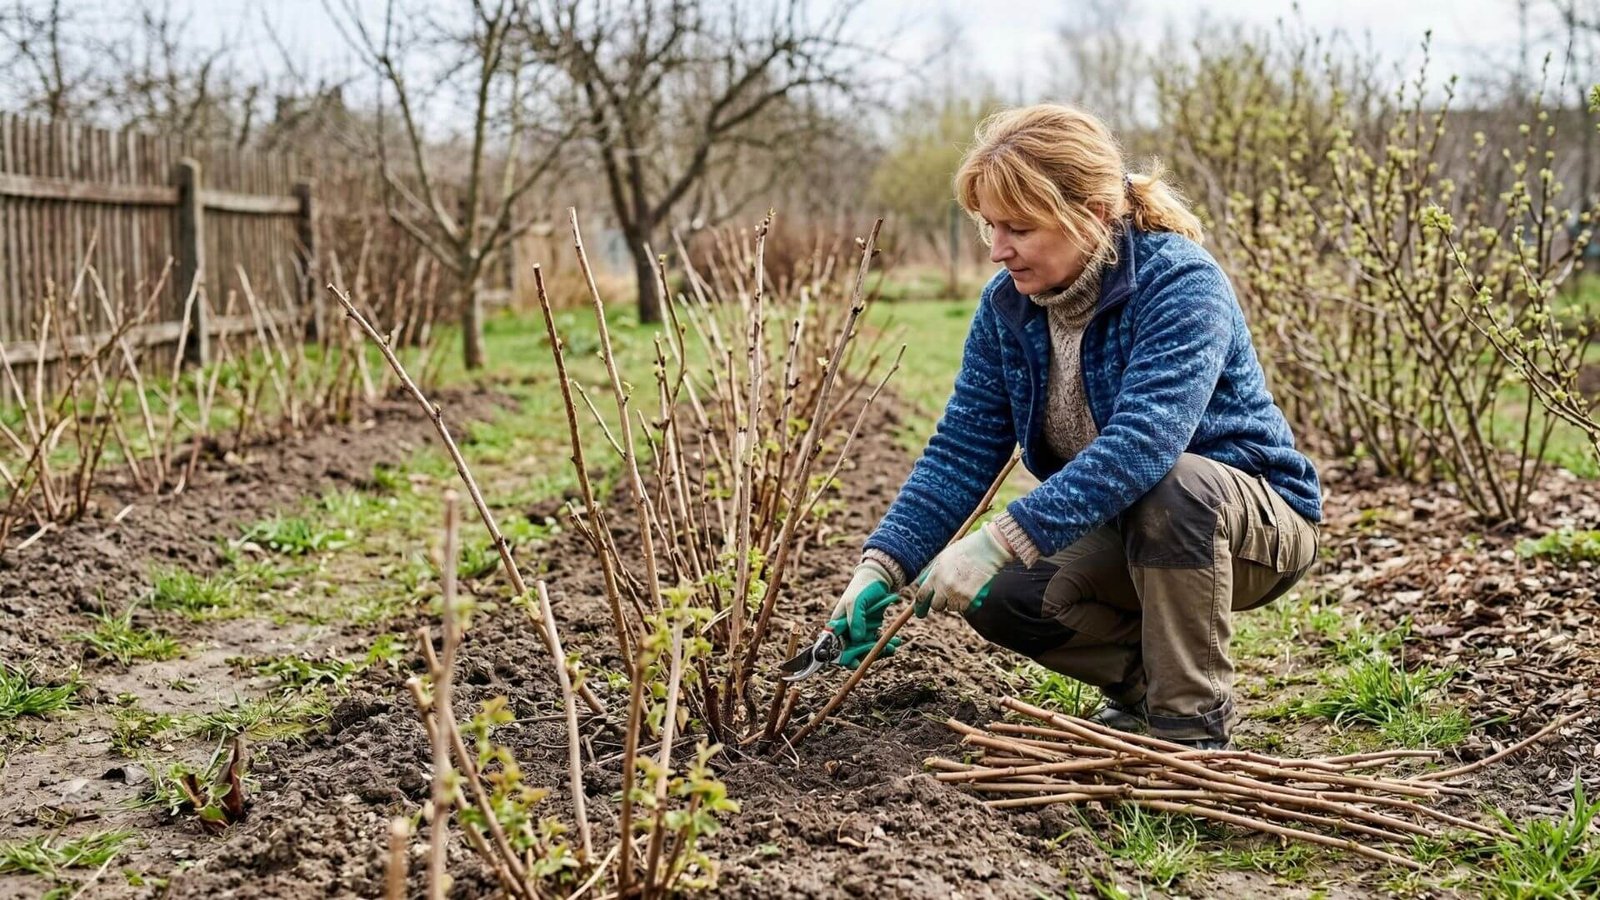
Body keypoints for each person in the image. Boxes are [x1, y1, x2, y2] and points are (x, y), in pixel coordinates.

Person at [828, 103, 1322, 750]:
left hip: (1252, 528)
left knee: (1175, 485)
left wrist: (1001, 538)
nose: (998, 250)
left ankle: (1191, 732)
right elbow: (960, 450)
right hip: (1128, 527)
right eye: (988, 227)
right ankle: (1146, 692)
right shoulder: (1008, 307)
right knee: (1002, 594)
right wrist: (881, 566)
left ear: (1091, 213)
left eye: (1020, 229)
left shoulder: (1179, 283)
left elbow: (1142, 447)